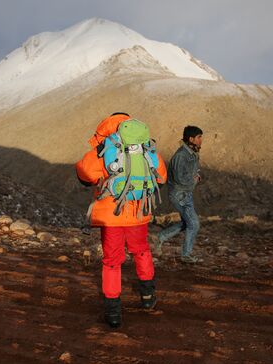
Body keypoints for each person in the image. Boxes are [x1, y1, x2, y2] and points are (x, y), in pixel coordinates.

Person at [76, 112, 167, 328]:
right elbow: (161, 177)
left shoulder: (106, 147)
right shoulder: (144, 146)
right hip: (138, 212)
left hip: (112, 215)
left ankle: (113, 312)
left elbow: (84, 174)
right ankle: (147, 296)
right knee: (141, 250)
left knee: (112, 262)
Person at [155, 125, 203, 263]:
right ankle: (185, 255)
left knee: (186, 223)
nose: (201, 140)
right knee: (194, 224)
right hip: (179, 195)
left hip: (185, 194)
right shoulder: (181, 155)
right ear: (191, 138)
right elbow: (180, 178)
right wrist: (193, 180)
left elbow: (190, 171)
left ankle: (161, 237)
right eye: (199, 137)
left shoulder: (191, 153)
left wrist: (196, 175)